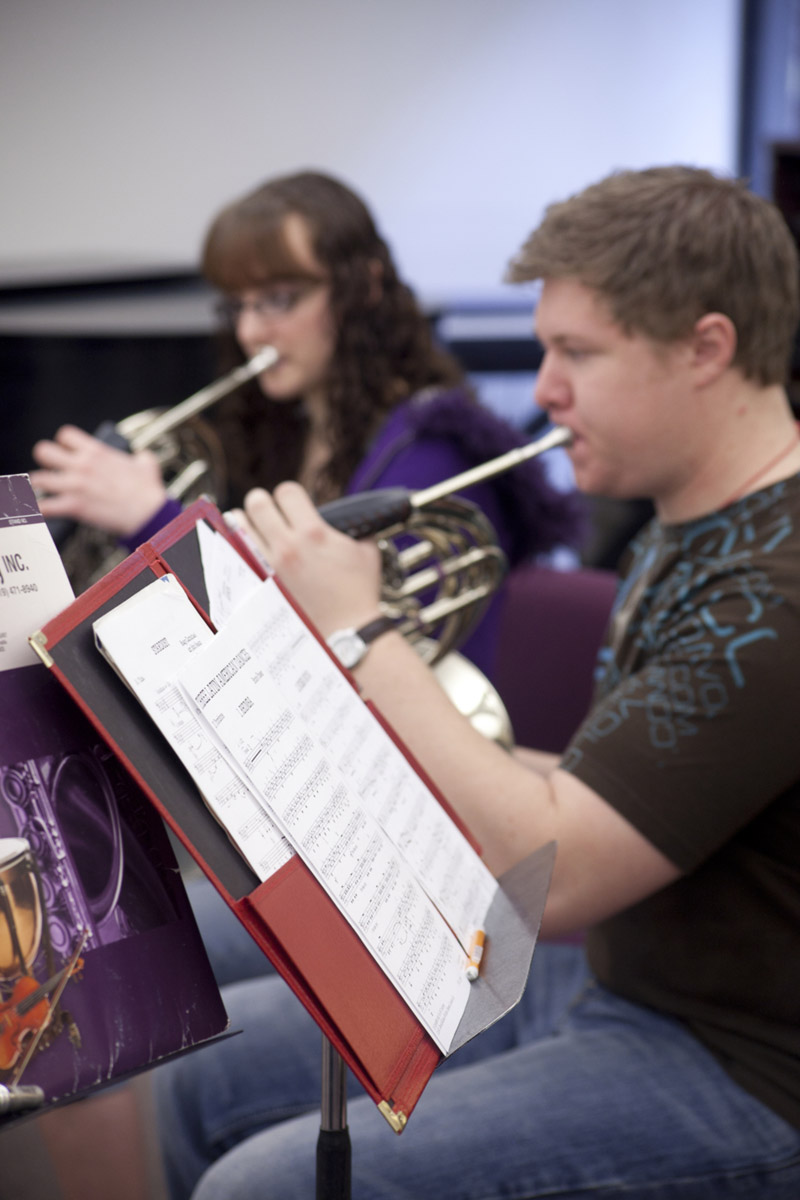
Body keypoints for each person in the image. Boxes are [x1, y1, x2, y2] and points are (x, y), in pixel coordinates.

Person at [152, 165, 800, 1199]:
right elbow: (608, 786)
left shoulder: (773, 588)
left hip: (738, 1066)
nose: (541, 389)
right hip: (616, 985)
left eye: (575, 354)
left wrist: (361, 631)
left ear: (705, 349)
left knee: (259, 1185)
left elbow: (567, 870)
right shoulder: (688, 523)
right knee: (195, 1092)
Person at [29, 170, 583, 680]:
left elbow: (320, 653)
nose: (250, 331)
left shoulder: (437, 449)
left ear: (362, 287)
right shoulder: (292, 433)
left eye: (278, 300)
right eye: (238, 306)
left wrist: (152, 518)